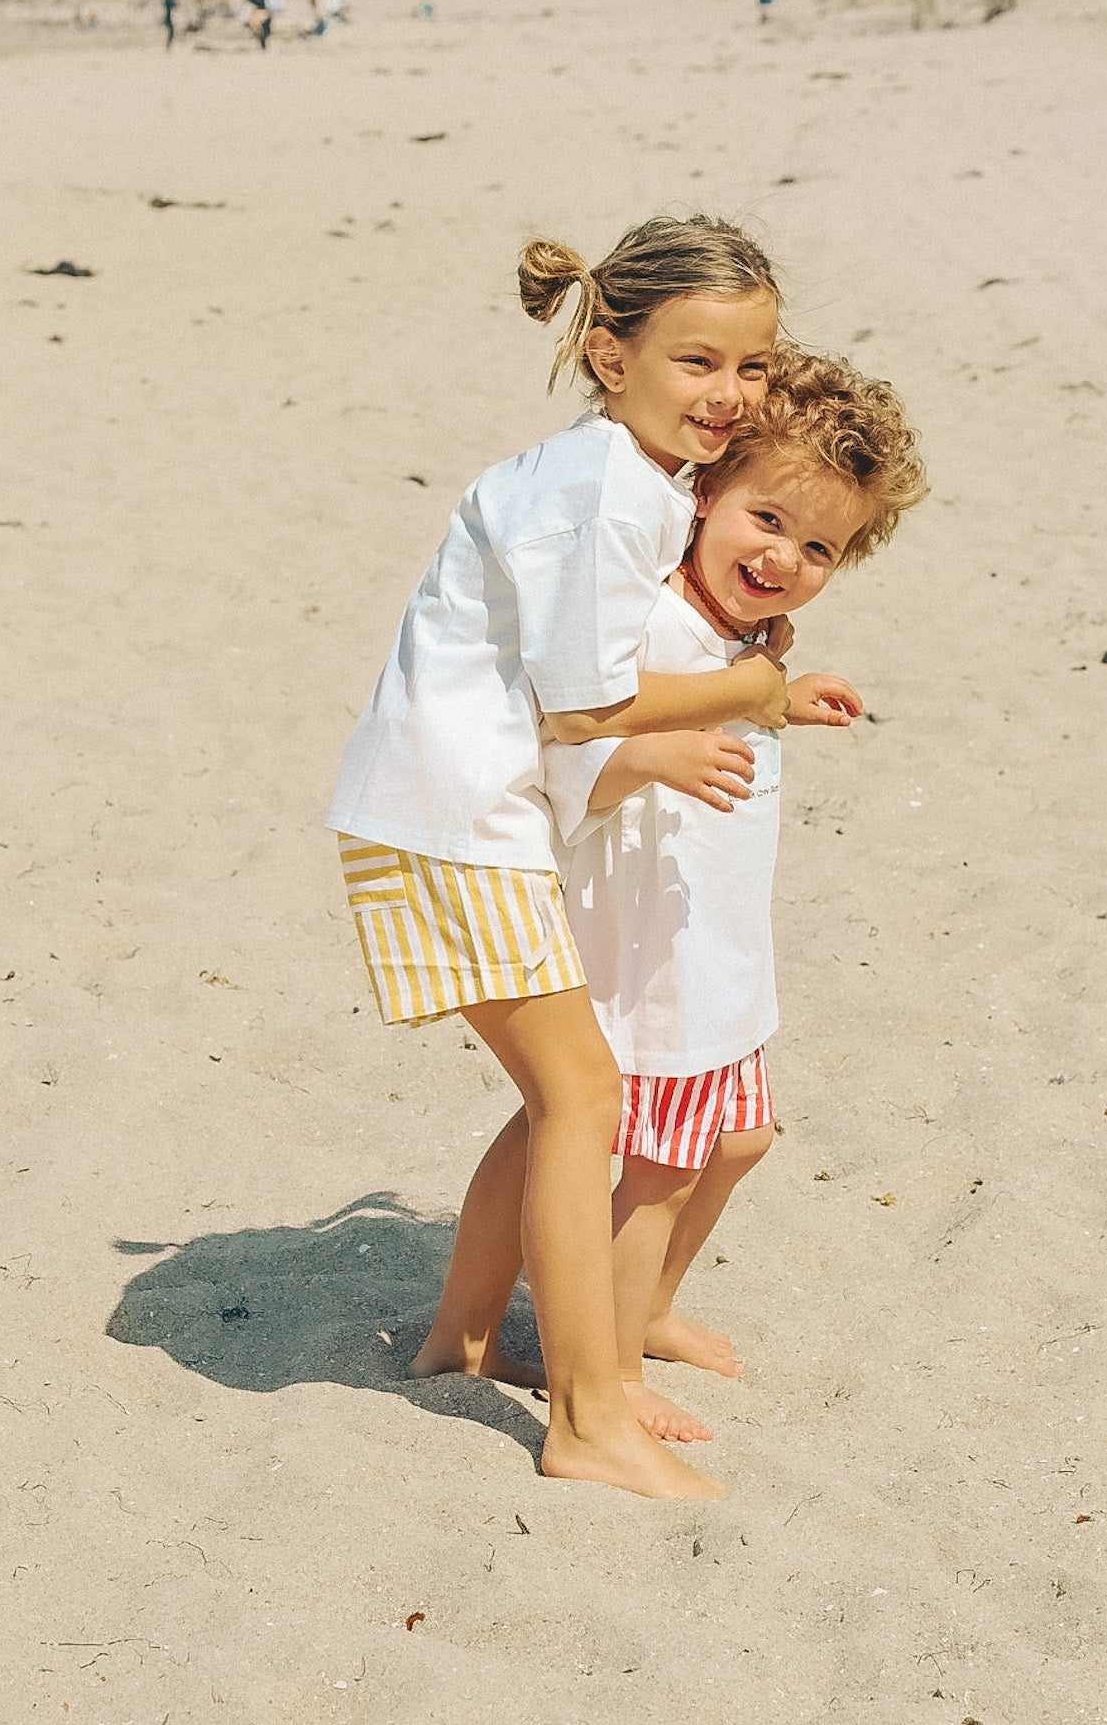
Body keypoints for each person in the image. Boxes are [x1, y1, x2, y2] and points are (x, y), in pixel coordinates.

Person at [328, 216, 787, 1498]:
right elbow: (583, 704)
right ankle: (586, 1413)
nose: (730, 396)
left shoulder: (617, 476)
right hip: (449, 818)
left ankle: (462, 1338)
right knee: (584, 1099)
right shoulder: (602, 487)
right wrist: (742, 688)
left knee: (563, 1092)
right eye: (699, 362)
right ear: (609, 351)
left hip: (455, 811)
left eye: (753, 369)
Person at [545, 354, 928, 1441]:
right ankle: (606, 1371)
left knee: (739, 1139)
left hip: (722, 947)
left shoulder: (730, 635)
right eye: (767, 518)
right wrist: (651, 752)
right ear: (705, 492)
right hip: (656, 952)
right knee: (662, 1164)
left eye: (820, 546)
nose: (783, 557)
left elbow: (734, 698)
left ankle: (649, 1305)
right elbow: (567, 749)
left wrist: (782, 696)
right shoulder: (653, 627)